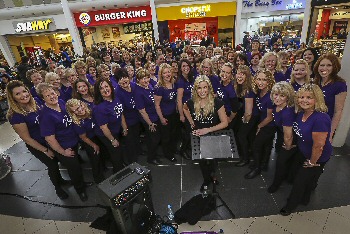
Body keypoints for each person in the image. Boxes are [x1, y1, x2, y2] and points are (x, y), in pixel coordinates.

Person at [6, 80, 69, 200]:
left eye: (24, 91)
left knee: (57, 162)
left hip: (50, 138)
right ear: (12, 97)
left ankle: (61, 180)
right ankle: (58, 188)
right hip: (38, 144)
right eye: (18, 94)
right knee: (52, 165)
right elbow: (27, 139)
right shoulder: (15, 115)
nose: (23, 95)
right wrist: (45, 150)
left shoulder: (36, 101)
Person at [280, 84, 332, 216]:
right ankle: (304, 199)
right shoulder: (302, 113)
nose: (304, 100)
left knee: (300, 181)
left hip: (317, 156)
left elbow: (318, 146)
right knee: (305, 178)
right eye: (301, 97)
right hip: (303, 151)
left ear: (317, 99)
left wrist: (312, 162)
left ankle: (290, 205)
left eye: (309, 97)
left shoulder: (320, 118)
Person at [36, 82, 87, 201]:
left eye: (52, 93)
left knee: (77, 166)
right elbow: (49, 138)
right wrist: (63, 152)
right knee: (74, 169)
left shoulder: (62, 103)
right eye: (47, 96)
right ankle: (80, 190)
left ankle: (81, 184)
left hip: (73, 141)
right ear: (43, 98)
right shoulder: (45, 115)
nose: (52, 96)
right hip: (63, 147)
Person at [183, 75, 228, 191]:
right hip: (198, 136)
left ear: (209, 88)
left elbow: (225, 123)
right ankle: (206, 179)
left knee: (213, 161)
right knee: (202, 161)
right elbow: (184, 108)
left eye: (205, 87)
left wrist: (207, 130)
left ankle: (213, 176)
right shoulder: (192, 102)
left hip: (212, 135)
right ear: (195, 89)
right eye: (199, 88)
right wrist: (191, 121)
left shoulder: (217, 102)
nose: (202, 91)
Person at [245, 70, 276, 178]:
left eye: (264, 80)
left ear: (269, 81)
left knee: (256, 145)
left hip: (269, 125)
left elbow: (270, 117)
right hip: (263, 122)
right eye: (259, 79)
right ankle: (264, 164)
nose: (261, 82)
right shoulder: (259, 92)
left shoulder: (270, 96)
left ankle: (257, 168)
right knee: (266, 145)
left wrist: (259, 126)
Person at [267, 82, 297, 193]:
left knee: (281, 162)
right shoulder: (276, 106)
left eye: (282, 95)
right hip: (281, 133)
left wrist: (288, 146)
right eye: (275, 94)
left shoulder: (287, 113)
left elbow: (288, 136)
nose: (277, 98)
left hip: (291, 138)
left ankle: (276, 184)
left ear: (288, 97)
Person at [66, 99, 104, 183]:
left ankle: (103, 168)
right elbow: (83, 137)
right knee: (95, 159)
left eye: (80, 106)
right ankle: (98, 179)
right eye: (76, 109)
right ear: (73, 113)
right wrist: (94, 145)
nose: (80, 109)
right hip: (88, 140)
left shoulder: (89, 111)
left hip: (97, 135)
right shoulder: (78, 123)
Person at [93, 79, 127, 173]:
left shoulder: (116, 98)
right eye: (101, 88)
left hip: (116, 129)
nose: (105, 89)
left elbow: (121, 113)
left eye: (106, 86)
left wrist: (124, 127)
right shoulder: (99, 108)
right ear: (98, 92)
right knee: (115, 152)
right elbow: (104, 127)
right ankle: (118, 172)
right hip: (106, 134)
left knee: (119, 150)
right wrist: (112, 140)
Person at [313, 53, 347, 143]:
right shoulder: (315, 82)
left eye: (329, 65)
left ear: (334, 67)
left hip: (324, 126)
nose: (324, 68)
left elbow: (338, 111)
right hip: (311, 122)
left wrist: (331, 133)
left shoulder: (340, 85)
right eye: (322, 65)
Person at [134, 68, 162, 165]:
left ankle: (153, 155)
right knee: (153, 139)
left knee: (154, 139)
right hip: (149, 119)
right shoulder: (138, 92)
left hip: (154, 116)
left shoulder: (149, 86)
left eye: (147, 77)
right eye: (143, 78)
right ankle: (151, 158)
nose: (145, 80)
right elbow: (142, 111)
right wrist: (150, 123)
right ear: (138, 80)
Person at [114, 68, 141, 164]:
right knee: (130, 142)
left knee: (136, 138)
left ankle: (137, 154)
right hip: (126, 121)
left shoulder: (134, 86)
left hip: (137, 119)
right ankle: (131, 162)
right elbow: (120, 113)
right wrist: (124, 127)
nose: (124, 80)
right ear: (117, 81)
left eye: (125, 77)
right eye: (120, 78)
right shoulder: (117, 93)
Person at [235, 65, 259, 167]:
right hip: (250, 115)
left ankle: (245, 159)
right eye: (238, 73)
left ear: (247, 76)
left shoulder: (249, 90)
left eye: (243, 74)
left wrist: (244, 122)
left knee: (241, 135)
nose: (240, 76)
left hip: (252, 116)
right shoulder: (241, 86)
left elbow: (248, 112)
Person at [154, 63, 178, 162]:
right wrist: (162, 118)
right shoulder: (159, 87)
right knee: (166, 137)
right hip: (165, 115)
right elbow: (157, 105)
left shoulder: (174, 84)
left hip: (174, 114)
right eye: (165, 73)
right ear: (161, 75)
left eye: (169, 72)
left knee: (173, 134)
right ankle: (167, 154)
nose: (167, 74)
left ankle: (172, 149)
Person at [176, 59, 195, 160]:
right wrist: (181, 114)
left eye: (187, 65)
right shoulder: (180, 81)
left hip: (192, 109)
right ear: (180, 68)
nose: (186, 68)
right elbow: (179, 100)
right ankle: (182, 150)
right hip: (185, 110)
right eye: (183, 66)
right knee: (188, 132)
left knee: (191, 130)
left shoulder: (191, 78)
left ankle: (187, 147)